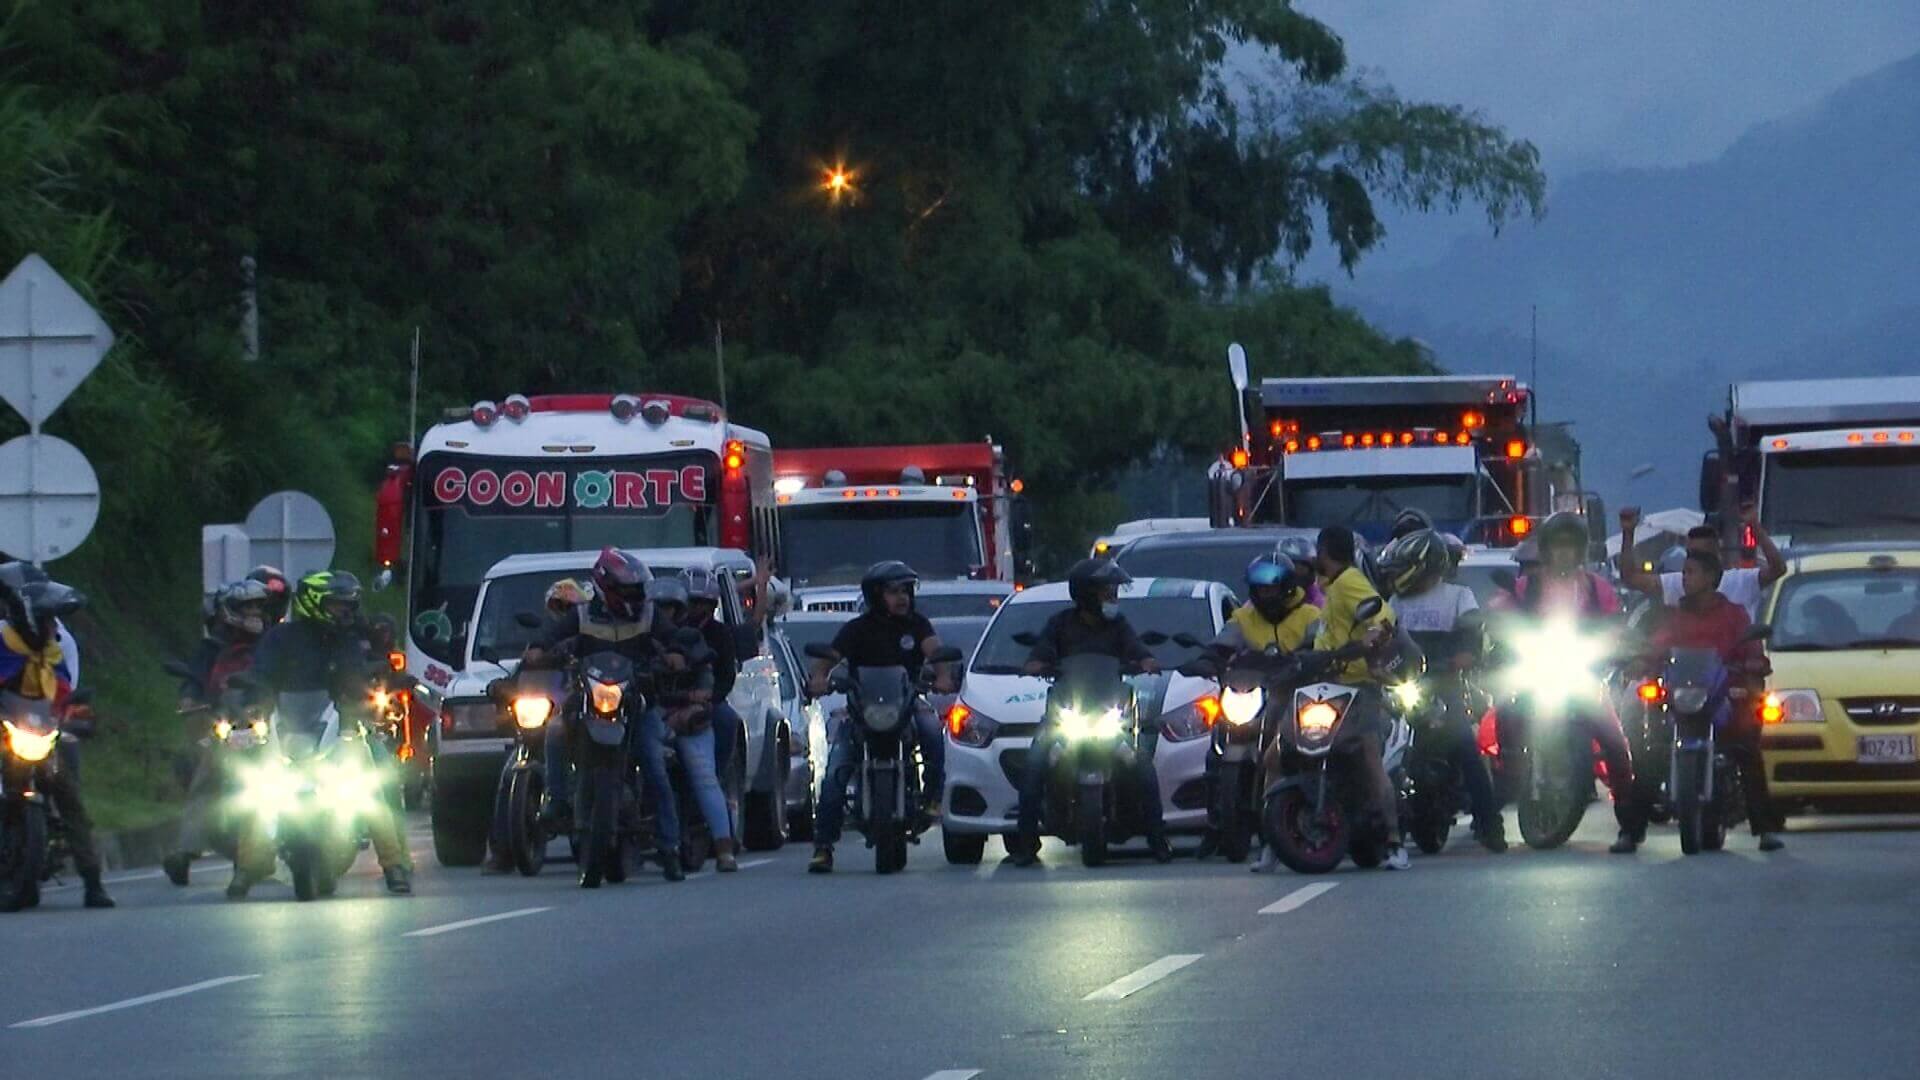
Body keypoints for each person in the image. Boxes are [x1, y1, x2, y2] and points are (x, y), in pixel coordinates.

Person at [241, 570, 413, 898]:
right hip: (287, 729)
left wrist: (369, 695)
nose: (343, 611)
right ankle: (247, 868)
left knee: (372, 786)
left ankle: (394, 866)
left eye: (346, 605)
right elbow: (261, 673)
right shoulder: (280, 638)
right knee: (258, 790)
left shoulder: (347, 639)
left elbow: (355, 676)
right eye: (336, 605)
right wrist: (253, 700)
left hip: (340, 727)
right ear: (312, 602)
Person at [1488, 511, 1646, 854]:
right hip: (1536, 671)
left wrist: (1624, 648)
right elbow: (1502, 613)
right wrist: (1500, 637)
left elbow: (1615, 625)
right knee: (1503, 711)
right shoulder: (1526, 586)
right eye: (1557, 547)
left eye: (1570, 547)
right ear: (1546, 550)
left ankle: (1629, 827)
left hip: (1581, 676)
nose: (1564, 554)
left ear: (1580, 552)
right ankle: (1498, 791)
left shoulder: (1595, 586)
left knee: (1617, 746)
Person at [1008, 558, 1171, 867]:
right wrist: (1036, 665)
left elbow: (1138, 650)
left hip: (1109, 717)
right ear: (1086, 594)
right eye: (1106, 591)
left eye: (1113, 591)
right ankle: (1026, 844)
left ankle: (1157, 838)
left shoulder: (1119, 625)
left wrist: (1146, 661)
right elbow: (1039, 654)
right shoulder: (1059, 624)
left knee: (1143, 769)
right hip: (1065, 718)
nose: (1113, 596)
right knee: (1033, 768)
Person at [806, 561, 955, 873]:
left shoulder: (918, 625)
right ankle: (823, 846)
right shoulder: (857, 629)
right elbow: (830, 659)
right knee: (836, 769)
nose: (901, 598)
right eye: (892, 592)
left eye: (905, 591)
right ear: (875, 596)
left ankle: (932, 797)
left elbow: (935, 652)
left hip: (907, 703)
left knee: (931, 732)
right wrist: (819, 678)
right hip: (864, 709)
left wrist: (942, 676)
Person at [1378, 530, 1506, 852]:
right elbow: (1383, 640)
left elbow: (1471, 637)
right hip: (1403, 686)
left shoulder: (1459, 596)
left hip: (1444, 686)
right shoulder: (1395, 603)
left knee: (1466, 748)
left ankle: (1491, 826)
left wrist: (1461, 658)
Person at [1649, 549, 1784, 851]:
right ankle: (1631, 828)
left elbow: (1751, 648)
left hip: (1723, 697)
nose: (1685, 578)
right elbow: (1657, 646)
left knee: (1747, 749)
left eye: (1691, 572)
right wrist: (1642, 660)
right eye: (1683, 572)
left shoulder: (1734, 614)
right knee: (1647, 751)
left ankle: (1765, 829)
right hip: (1684, 699)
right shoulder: (1675, 616)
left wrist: (1752, 664)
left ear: (1711, 578)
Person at [0, 562, 112, 908]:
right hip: (6, 731)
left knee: (72, 802)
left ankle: (93, 882)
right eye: (46, 620)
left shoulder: (56, 649)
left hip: (41, 734)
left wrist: (77, 717)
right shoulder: (3, 642)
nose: (51, 627)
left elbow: (65, 693)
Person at [1201, 554, 1321, 869]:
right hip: (1256, 696)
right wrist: (1208, 657)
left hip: (1298, 699)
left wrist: (1306, 656)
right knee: (1216, 745)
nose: (1265, 595)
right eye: (1260, 589)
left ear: (1286, 587)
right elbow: (1224, 642)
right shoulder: (1244, 617)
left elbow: (1323, 645)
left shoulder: (1310, 615)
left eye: (1271, 589)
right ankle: (1220, 824)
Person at [524, 551, 654, 834]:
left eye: (634, 590)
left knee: (654, 757)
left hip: (633, 698)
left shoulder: (648, 614)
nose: (631, 595)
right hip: (587, 695)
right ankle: (557, 800)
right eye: (625, 589)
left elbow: (673, 637)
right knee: (556, 730)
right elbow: (549, 637)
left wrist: (677, 653)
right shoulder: (581, 616)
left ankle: (669, 842)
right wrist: (536, 650)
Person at [1310, 527, 1411, 870]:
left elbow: (1383, 617)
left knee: (1371, 762)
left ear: (1324, 551)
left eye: (1317, 552)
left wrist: (1371, 637)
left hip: (1358, 689)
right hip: (1327, 687)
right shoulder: (1330, 587)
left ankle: (1395, 843)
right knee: (1284, 751)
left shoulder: (1350, 581)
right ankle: (1272, 839)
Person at [163, 579, 273, 885]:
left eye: (258, 606)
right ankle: (184, 853)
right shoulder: (212, 649)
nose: (254, 612)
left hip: (272, 729)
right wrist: (190, 700)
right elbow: (194, 681)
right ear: (228, 612)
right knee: (205, 782)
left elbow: (291, 679)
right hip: (226, 729)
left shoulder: (273, 644)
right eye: (246, 607)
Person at [483, 576, 594, 873]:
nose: (563, 613)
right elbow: (519, 677)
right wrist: (499, 687)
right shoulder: (538, 647)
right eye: (558, 607)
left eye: (570, 607)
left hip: (576, 722)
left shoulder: (587, 643)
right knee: (508, 773)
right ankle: (502, 852)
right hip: (539, 726)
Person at [634, 577, 735, 881]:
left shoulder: (692, 639)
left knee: (704, 774)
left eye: (671, 608)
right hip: (648, 713)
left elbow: (707, 684)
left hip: (689, 718)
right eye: (659, 607)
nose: (665, 614)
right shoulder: (637, 638)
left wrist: (692, 705)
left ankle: (724, 847)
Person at [1617, 506, 1786, 620]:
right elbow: (1631, 578)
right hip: (1689, 667)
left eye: (1702, 555)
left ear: (1716, 555)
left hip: (1730, 669)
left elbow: (1778, 569)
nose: (1694, 561)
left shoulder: (1742, 581)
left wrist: (1754, 526)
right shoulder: (1676, 582)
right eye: (1690, 554)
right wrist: (1628, 533)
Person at [682, 566, 745, 843]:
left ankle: (718, 775)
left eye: (702, 604)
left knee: (727, 720)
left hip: (708, 700)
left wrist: (708, 698)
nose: (696, 609)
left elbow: (727, 676)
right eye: (690, 603)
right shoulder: (663, 630)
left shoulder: (720, 634)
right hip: (667, 701)